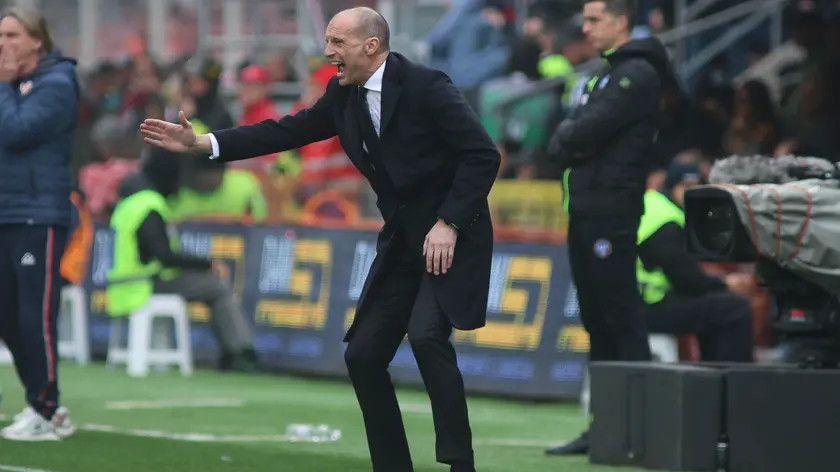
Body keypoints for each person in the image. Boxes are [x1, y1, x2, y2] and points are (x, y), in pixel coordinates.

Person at [140, 7, 500, 471]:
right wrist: (203, 143)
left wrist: (448, 222)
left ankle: (460, 464)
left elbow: (482, 155)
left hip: (450, 236)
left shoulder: (426, 86)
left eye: (337, 42)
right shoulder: (343, 93)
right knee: (363, 355)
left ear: (371, 45)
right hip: (403, 241)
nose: (328, 52)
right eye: (328, 41)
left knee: (427, 336)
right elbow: (285, 131)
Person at [546, 0, 673, 456]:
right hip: (586, 208)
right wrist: (572, 138)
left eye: (596, 19)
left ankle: (638, 429)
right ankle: (605, 426)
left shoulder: (635, 74)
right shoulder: (606, 73)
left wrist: (573, 138)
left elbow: (579, 133)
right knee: (597, 318)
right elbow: (561, 138)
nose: (586, 27)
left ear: (621, 22)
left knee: (620, 316)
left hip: (611, 211)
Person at [0, 6, 79, 441]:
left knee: (35, 317)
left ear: (37, 41)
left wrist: (2, 85)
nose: (3, 44)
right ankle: (39, 403)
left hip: (37, 214)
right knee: (8, 319)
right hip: (5, 212)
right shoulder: (11, 86)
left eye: (12, 35)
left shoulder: (57, 83)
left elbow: (18, 132)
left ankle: (48, 410)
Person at [108, 148, 260, 373]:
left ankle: (232, 351)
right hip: (143, 285)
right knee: (216, 287)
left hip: (123, 286)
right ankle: (240, 353)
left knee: (210, 286)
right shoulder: (150, 205)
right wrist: (206, 264)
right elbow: (164, 255)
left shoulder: (130, 202)